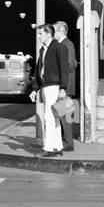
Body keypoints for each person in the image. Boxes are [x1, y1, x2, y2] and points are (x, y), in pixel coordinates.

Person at [39, 25, 68, 156]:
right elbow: (38, 68)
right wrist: (35, 88)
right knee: (54, 117)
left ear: (48, 34)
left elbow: (64, 68)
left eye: (40, 33)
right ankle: (58, 146)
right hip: (46, 85)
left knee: (49, 117)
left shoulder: (58, 47)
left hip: (54, 86)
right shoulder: (43, 49)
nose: (38, 36)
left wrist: (63, 87)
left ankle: (48, 148)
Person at [52, 21, 78, 152]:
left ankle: (68, 143)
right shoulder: (63, 44)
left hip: (66, 87)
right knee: (63, 114)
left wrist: (58, 77)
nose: (52, 33)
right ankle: (66, 141)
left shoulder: (67, 44)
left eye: (54, 31)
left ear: (60, 31)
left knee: (64, 115)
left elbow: (70, 64)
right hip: (65, 86)